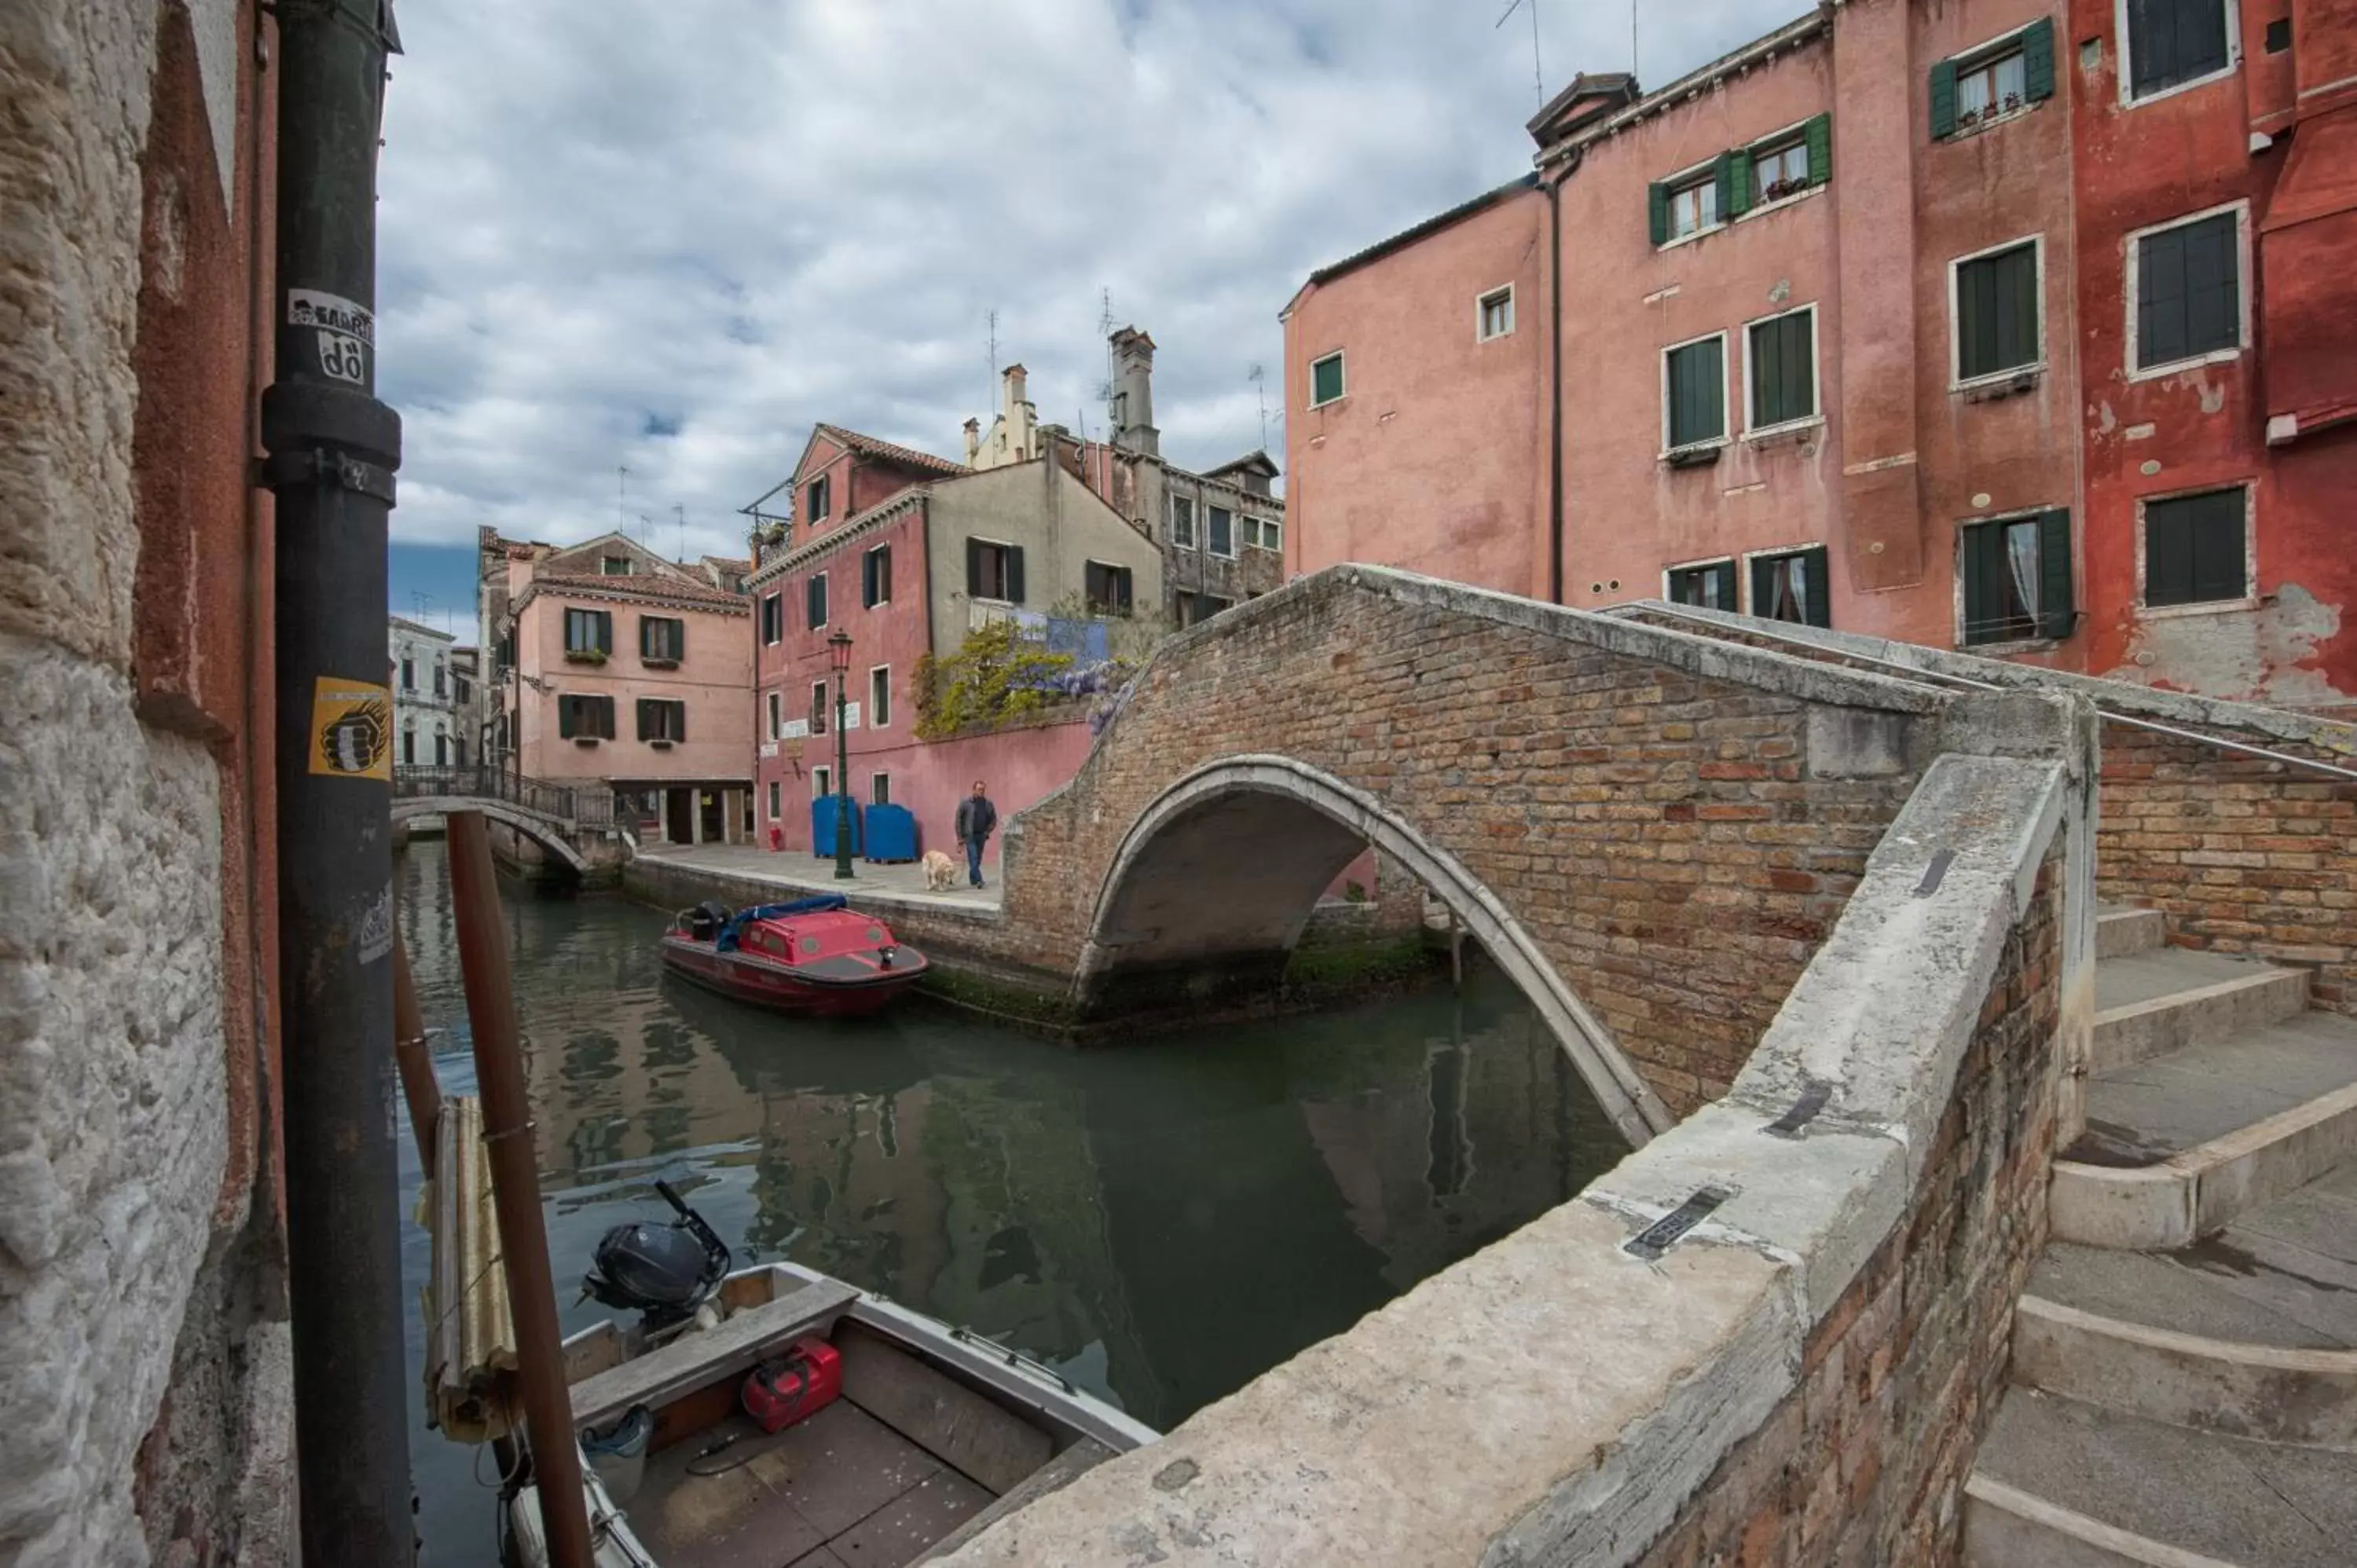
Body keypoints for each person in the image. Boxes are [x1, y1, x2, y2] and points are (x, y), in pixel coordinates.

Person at [954, 780, 998, 888]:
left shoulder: (988, 804)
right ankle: (979, 880)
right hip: (969, 836)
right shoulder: (966, 803)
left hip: (981, 835)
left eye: (983, 790)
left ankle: (973, 879)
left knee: (977, 859)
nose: (981, 792)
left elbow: (993, 819)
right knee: (973, 857)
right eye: (979, 789)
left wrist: (987, 831)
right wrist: (960, 838)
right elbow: (958, 820)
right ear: (974, 790)